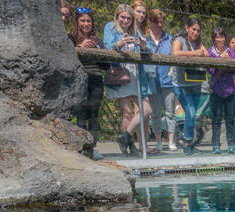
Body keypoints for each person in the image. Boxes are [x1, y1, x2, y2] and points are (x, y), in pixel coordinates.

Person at [103, 4, 154, 156]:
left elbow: (148, 49)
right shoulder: (110, 28)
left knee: (146, 109)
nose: (125, 21)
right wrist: (119, 44)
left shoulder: (135, 30)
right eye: (123, 17)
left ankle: (125, 136)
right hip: (121, 74)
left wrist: (144, 46)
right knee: (127, 113)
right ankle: (128, 147)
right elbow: (106, 47)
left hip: (136, 75)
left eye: (129, 18)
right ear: (117, 16)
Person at [69, 7, 105, 159]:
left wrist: (96, 50)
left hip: (96, 79)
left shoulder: (98, 40)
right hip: (79, 80)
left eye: (88, 21)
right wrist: (80, 48)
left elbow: (106, 65)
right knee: (81, 114)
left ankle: (93, 147)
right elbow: (66, 58)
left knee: (94, 115)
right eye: (83, 20)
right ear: (77, 22)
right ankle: (81, 146)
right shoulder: (70, 38)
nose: (86, 24)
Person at [171, 17, 207, 155]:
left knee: (193, 115)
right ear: (187, 28)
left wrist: (200, 52)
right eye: (193, 29)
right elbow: (176, 53)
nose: (196, 32)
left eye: (198, 30)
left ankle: (188, 143)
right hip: (181, 83)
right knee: (191, 113)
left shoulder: (198, 42)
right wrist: (194, 54)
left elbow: (206, 53)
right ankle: (187, 142)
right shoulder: (178, 39)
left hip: (196, 82)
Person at [145, 8, 177, 152]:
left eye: (161, 22)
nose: (159, 25)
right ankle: (158, 141)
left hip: (168, 81)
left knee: (170, 112)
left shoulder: (169, 39)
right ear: (150, 22)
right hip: (152, 82)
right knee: (156, 113)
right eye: (156, 22)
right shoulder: (145, 39)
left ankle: (171, 141)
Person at [207, 27, 235, 154]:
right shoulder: (210, 52)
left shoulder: (230, 51)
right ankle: (216, 146)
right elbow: (211, 70)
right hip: (216, 90)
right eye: (217, 37)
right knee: (216, 119)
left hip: (230, 90)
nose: (220, 39)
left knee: (230, 119)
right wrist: (220, 59)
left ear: (225, 38)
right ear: (214, 39)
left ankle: (231, 145)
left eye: (222, 37)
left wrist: (228, 61)